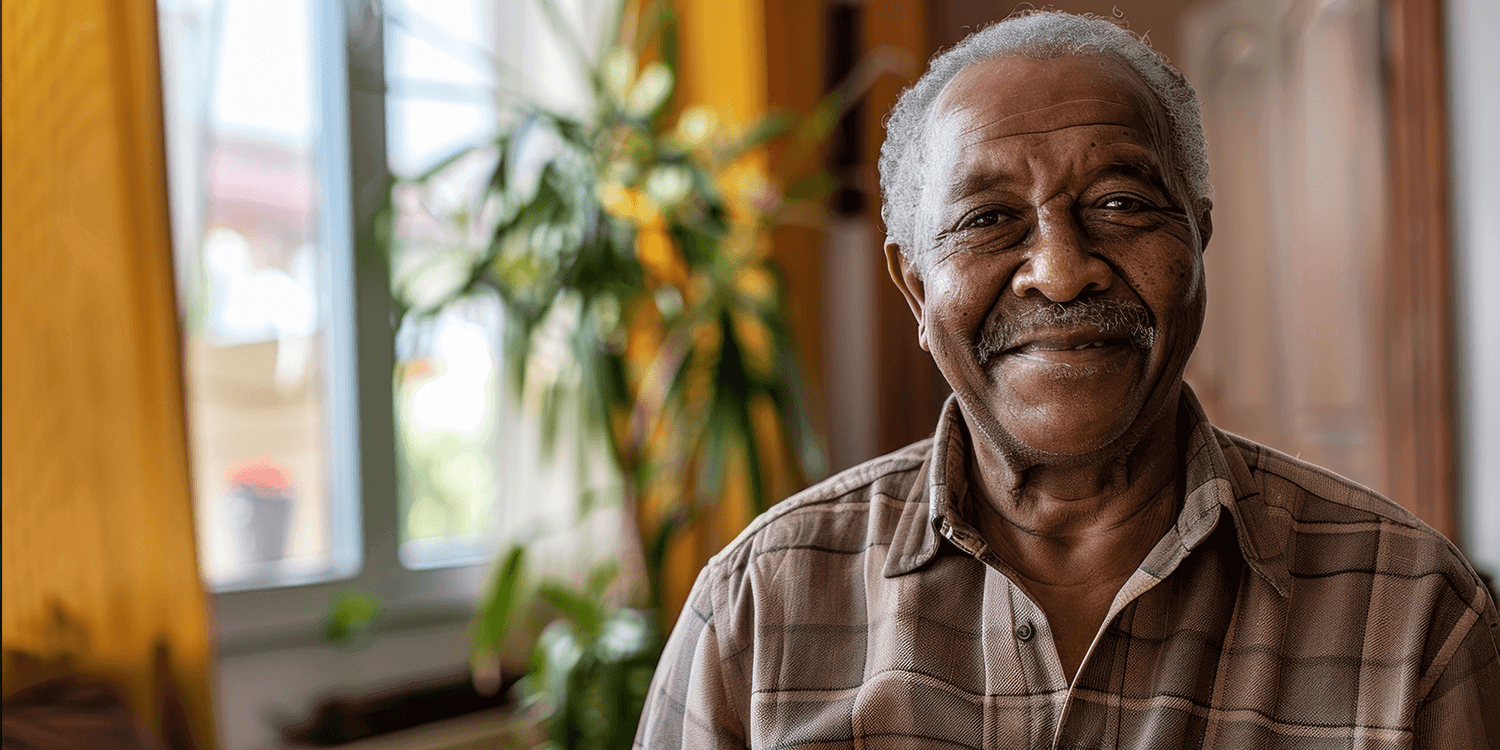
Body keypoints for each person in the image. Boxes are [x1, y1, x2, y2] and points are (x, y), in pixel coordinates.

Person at [634, 10, 1500, 749]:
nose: (1060, 269)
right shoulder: (757, 610)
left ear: (1197, 241)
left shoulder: (1417, 612)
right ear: (915, 287)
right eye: (988, 219)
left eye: (1121, 204)